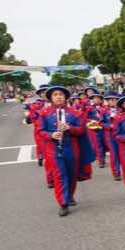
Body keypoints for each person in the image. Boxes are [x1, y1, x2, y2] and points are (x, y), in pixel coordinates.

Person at [38, 86, 87, 217]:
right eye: (55, 95)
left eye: (61, 94)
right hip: (53, 149)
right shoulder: (44, 113)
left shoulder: (75, 113)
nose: (58, 96)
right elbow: (40, 131)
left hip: (71, 147)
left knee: (71, 174)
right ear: (51, 98)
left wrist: (70, 128)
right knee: (60, 175)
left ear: (65, 97)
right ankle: (63, 203)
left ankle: (69, 195)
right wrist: (51, 135)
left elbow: (81, 130)